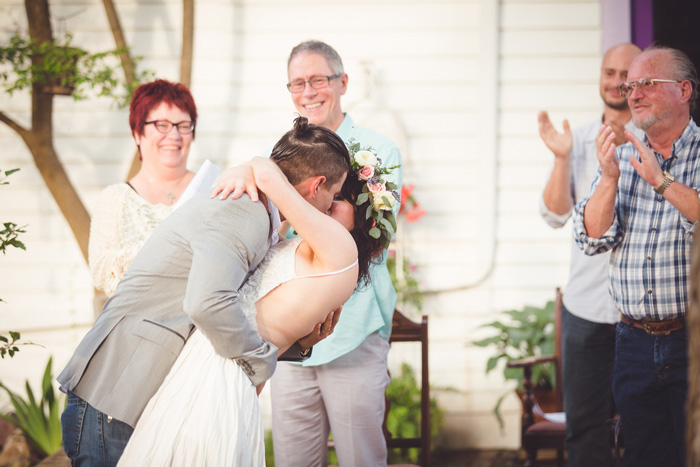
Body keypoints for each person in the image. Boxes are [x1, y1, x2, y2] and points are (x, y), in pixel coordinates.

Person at [58, 116, 351, 466]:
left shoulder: (259, 213)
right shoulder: (245, 211)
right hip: (114, 395)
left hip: (139, 395)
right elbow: (207, 303)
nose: (330, 206)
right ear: (316, 186)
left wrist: (295, 345)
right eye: (333, 195)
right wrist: (259, 363)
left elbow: (238, 310)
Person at [117, 118, 396, 465]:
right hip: (198, 363)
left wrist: (249, 167)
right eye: (332, 194)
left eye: (341, 199)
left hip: (228, 372)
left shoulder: (341, 251)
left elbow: (271, 180)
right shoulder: (291, 238)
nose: (328, 203)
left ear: (363, 218)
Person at [270, 40, 403, 466]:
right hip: (289, 330)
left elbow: (373, 238)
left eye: (318, 80)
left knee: (361, 458)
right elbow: (273, 234)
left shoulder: (378, 152)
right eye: (297, 83)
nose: (308, 92)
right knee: (294, 460)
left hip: (354, 328)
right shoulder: (285, 154)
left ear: (342, 83)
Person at [573, 46, 700, 467]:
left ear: (684, 91)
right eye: (630, 85)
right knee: (644, 455)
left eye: (648, 83)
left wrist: (661, 181)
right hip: (632, 343)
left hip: (692, 341)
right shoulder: (622, 152)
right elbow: (590, 236)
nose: (634, 93)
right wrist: (609, 178)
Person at [537, 43, 641, 466]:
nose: (617, 82)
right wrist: (562, 159)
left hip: (642, 313)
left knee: (644, 428)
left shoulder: (656, 140)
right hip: (586, 309)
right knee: (584, 428)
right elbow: (554, 215)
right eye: (609, 72)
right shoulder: (576, 138)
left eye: (626, 74)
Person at [89, 79, 220, 297]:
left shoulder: (214, 189)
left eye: (184, 125)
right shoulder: (115, 199)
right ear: (138, 133)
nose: (175, 135)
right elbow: (102, 272)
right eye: (162, 125)